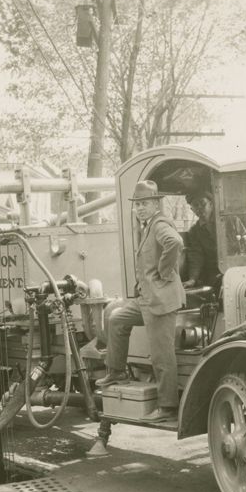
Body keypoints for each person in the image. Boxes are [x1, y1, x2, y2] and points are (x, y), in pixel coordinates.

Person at [95, 180, 185, 422]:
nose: (140, 209)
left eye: (144, 204)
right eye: (137, 205)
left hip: (161, 301)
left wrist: (164, 272)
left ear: (155, 204)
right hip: (145, 299)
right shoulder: (147, 226)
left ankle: (167, 408)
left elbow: (175, 243)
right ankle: (116, 372)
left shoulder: (159, 224)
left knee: (161, 356)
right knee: (116, 319)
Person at [182, 188, 219, 290]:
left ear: (211, 204)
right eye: (195, 205)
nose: (200, 208)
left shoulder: (230, 221)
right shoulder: (194, 231)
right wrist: (192, 279)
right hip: (213, 274)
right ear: (192, 210)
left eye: (203, 204)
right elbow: (196, 256)